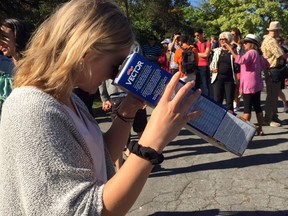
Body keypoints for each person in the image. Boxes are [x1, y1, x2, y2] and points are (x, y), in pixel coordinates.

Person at [0, 0, 201, 215]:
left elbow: (98, 159)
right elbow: (81, 210)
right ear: (86, 52)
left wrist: (126, 112)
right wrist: (152, 143)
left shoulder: (66, 98)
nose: (116, 78)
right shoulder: (32, 109)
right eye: (117, 66)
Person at [226, 34, 270, 135]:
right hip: (257, 83)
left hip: (248, 85)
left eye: (246, 42)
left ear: (252, 44)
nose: (244, 44)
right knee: (257, 107)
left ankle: (242, 132)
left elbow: (240, 60)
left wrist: (230, 49)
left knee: (247, 110)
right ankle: (260, 128)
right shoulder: (258, 55)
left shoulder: (251, 53)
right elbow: (267, 64)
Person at [261, 21, 288, 127]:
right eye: (279, 30)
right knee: (272, 95)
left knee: (274, 94)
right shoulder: (271, 41)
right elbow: (281, 55)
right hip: (272, 69)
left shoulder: (268, 40)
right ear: (276, 31)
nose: (280, 32)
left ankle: (274, 116)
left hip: (272, 69)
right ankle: (268, 118)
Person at [210, 32, 238, 112]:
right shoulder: (217, 51)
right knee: (217, 100)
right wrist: (212, 69)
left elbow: (238, 60)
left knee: (229, 102)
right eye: (220, 39)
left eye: (224, 39)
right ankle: (217, 119)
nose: (222, 41)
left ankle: (230, 121)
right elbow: (212, 63)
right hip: (218, 78)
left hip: (229, 79)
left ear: (229, 40)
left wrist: (230, 49)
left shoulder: (234, 51)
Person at [194, 28, 211, 97]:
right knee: (197, 85)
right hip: (196, 66)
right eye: (195, 36)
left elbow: (206, 54)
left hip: (204, 66)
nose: (197, 37)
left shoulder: (207, 43)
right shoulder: (195, 44)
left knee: (205, 85)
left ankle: (207, 100)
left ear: (202, 34)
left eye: (198, 35)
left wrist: (196, 53)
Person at [230, 27, 243, 112]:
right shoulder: (229, 43)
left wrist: (236, 44)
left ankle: (237, 102)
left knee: (238, 86)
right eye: (231, 34)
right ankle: (234, 102)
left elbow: (241, 54)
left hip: (239, 67)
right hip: (231, 66)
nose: (232, 36)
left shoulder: (240, 43)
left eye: (233, 34)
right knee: (232, 85)